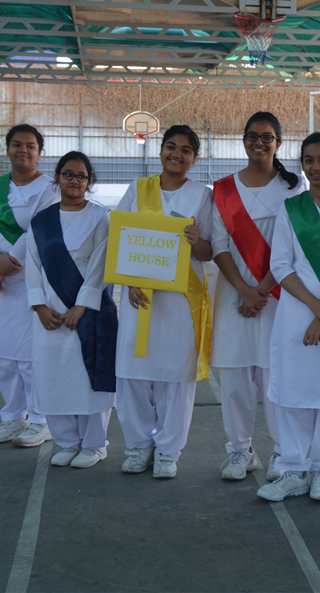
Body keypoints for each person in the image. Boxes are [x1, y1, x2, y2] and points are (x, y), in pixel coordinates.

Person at [256, 132, 320, 503]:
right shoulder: (290, 209)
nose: (316, 167)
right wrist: (314, 305)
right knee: (293, 393)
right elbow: (281, 265)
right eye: (309, 160)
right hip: (297, 313)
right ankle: (293, 470)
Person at [211, 112, 305, 482]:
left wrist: (261, 290)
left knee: (275, 376)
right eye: (253, 136)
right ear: (244, 140)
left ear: (278, 143)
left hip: (279, 295)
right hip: (233, 295)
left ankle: (283, 451)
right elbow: (219, 245)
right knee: (235, 378)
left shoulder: (294, 188)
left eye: (267, 137)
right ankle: (239, 450)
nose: (259, 143)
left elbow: (294, 246)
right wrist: (244, 290)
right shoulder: (223, 189)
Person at [115, 125, 213, 479]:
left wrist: (197, 240)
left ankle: (168, 451)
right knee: (133, 373)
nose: (177, 154)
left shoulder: (203, 196)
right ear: (160, 151)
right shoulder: (138, 189)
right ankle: (138, 445)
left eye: (186, 150)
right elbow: (119, 237)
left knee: (175, 376)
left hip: (181, 301)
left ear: (194, 158)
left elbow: (210, 251)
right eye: (171, 146)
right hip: (139, 297)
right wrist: (129, 282)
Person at [26, 152, 117, 469]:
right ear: (57, 177)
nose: (74, 181)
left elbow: (101, 265)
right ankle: (66, 442)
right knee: (54, 378)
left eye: (81, 176)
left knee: (89, 380)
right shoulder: (41, 221)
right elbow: (32, 265)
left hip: (90, 313)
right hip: (50, 314)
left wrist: (81, 305)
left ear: (89, 181)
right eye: (68, 174)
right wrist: (39, 305)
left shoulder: (101, 217)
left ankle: (94, 445)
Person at [0, 124, 59, 447]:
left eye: (30, 146)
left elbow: (37, 231)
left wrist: (5, 265)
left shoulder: (49, 189)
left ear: (40, 152)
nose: (23, 150)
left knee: (30, 355)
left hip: (30, 280)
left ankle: (40, 419)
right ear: (7, 149)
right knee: (2, 354)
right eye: (17, 144)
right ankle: (12, 417)